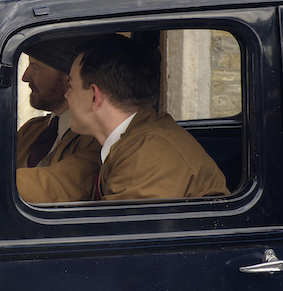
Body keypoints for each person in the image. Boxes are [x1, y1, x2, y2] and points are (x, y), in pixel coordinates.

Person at [64, 34, 229, 200]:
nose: (66, 95)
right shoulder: (135, 142)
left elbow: (118, 225)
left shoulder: (150, 153)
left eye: (71, 86)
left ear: (95, 97)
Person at [16, 39, 101, 203]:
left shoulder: (95, 139)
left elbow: (61, 185)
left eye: (36, 67)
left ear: (68, 78)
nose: (25, 77)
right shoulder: (31, 130)